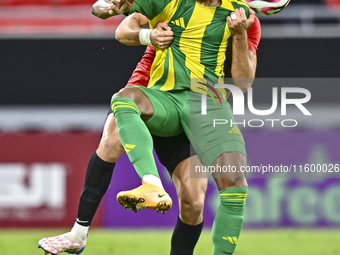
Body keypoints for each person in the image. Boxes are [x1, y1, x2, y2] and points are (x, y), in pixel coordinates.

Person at [38, 1, 260, 255]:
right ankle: (79, 232)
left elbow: (243, 82)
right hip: (151, 89)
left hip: (199, 105)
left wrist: (239, 33)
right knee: (111, 138)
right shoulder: (171, 3)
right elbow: (113, 17)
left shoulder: (242, 18)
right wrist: (144, 32)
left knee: (194, 202)